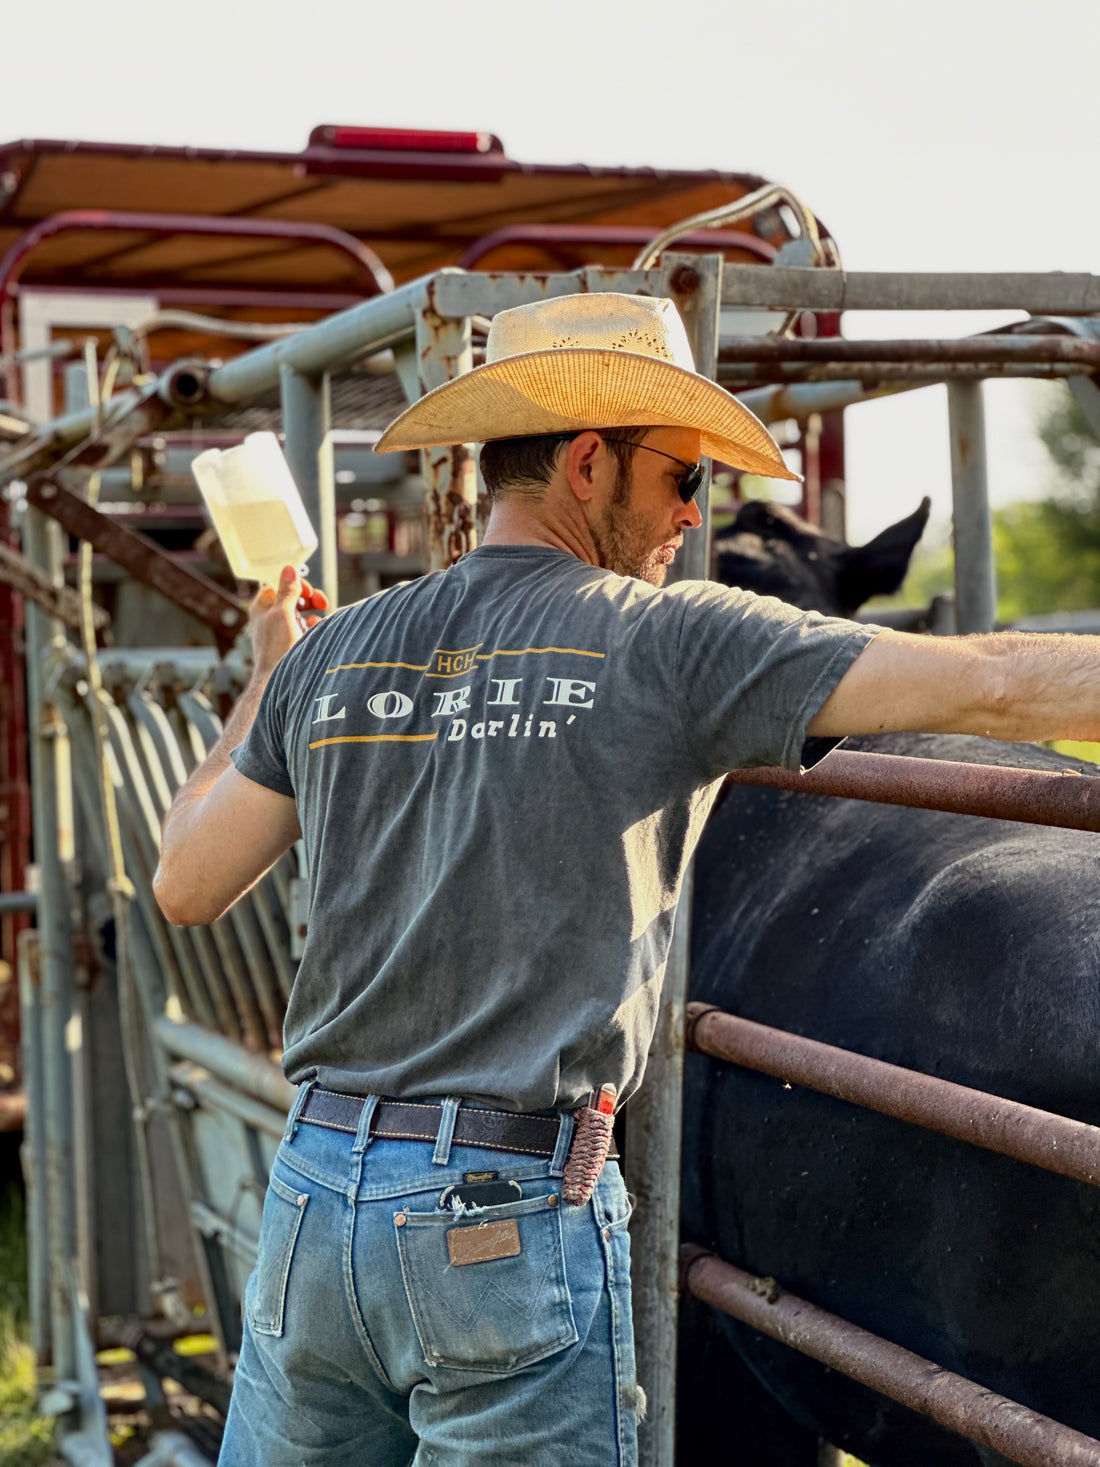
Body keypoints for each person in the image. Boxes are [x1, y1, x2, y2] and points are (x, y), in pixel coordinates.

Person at [154, 292, 1100, 1467]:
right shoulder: (666, 641)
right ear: (590, 461)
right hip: (501, 1219)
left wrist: (265, 679)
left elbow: (187, 884)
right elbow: (997, 686)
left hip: (316, 1193)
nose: (692, 512)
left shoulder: (339, 651)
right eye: (678, 475)